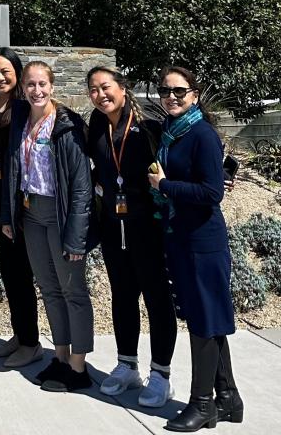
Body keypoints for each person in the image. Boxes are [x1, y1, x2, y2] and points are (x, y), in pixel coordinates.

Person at [148, 67, 243, 432]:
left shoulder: (201, 134)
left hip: (202, 241)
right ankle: (229, 397)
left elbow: (211, 194)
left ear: (195, 95)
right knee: (210, 318)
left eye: (179, 91)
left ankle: (202, 404)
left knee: (204, 323)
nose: (171, 97)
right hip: (182, 238)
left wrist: (166, 185)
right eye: (164, 91)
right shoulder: (172, 133)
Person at [86, 67, 178, 407]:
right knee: (122, 296)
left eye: (105, 87)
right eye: (93, 90)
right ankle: (127, 365)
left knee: (156, 299)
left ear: (123, 89)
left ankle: (161, 374)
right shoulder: (96, 125)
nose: (100, 95)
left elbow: (177, 160)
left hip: (146, 228)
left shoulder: (148, 128)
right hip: (112, 226)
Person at [0, 61, 94, 392]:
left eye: (42, 84)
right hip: (31, 213)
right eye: (30, 85)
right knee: (50, 290)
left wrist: (76, 237)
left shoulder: (67, 125)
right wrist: (9, 216)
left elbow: (82, 186)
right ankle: (61, 356)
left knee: (73, 292)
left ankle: (79, 369)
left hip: (61, 215)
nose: (36, 90)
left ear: (52, 86)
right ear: (22, 88)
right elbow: (13, 170)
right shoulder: (22, 121)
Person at [0, 47, 42, 368]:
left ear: (17, 71)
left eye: (5, 71)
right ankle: (20, 334)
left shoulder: (24, 105)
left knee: (20, 271)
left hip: (15, 200)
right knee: (8, 271)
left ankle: (31, 343)